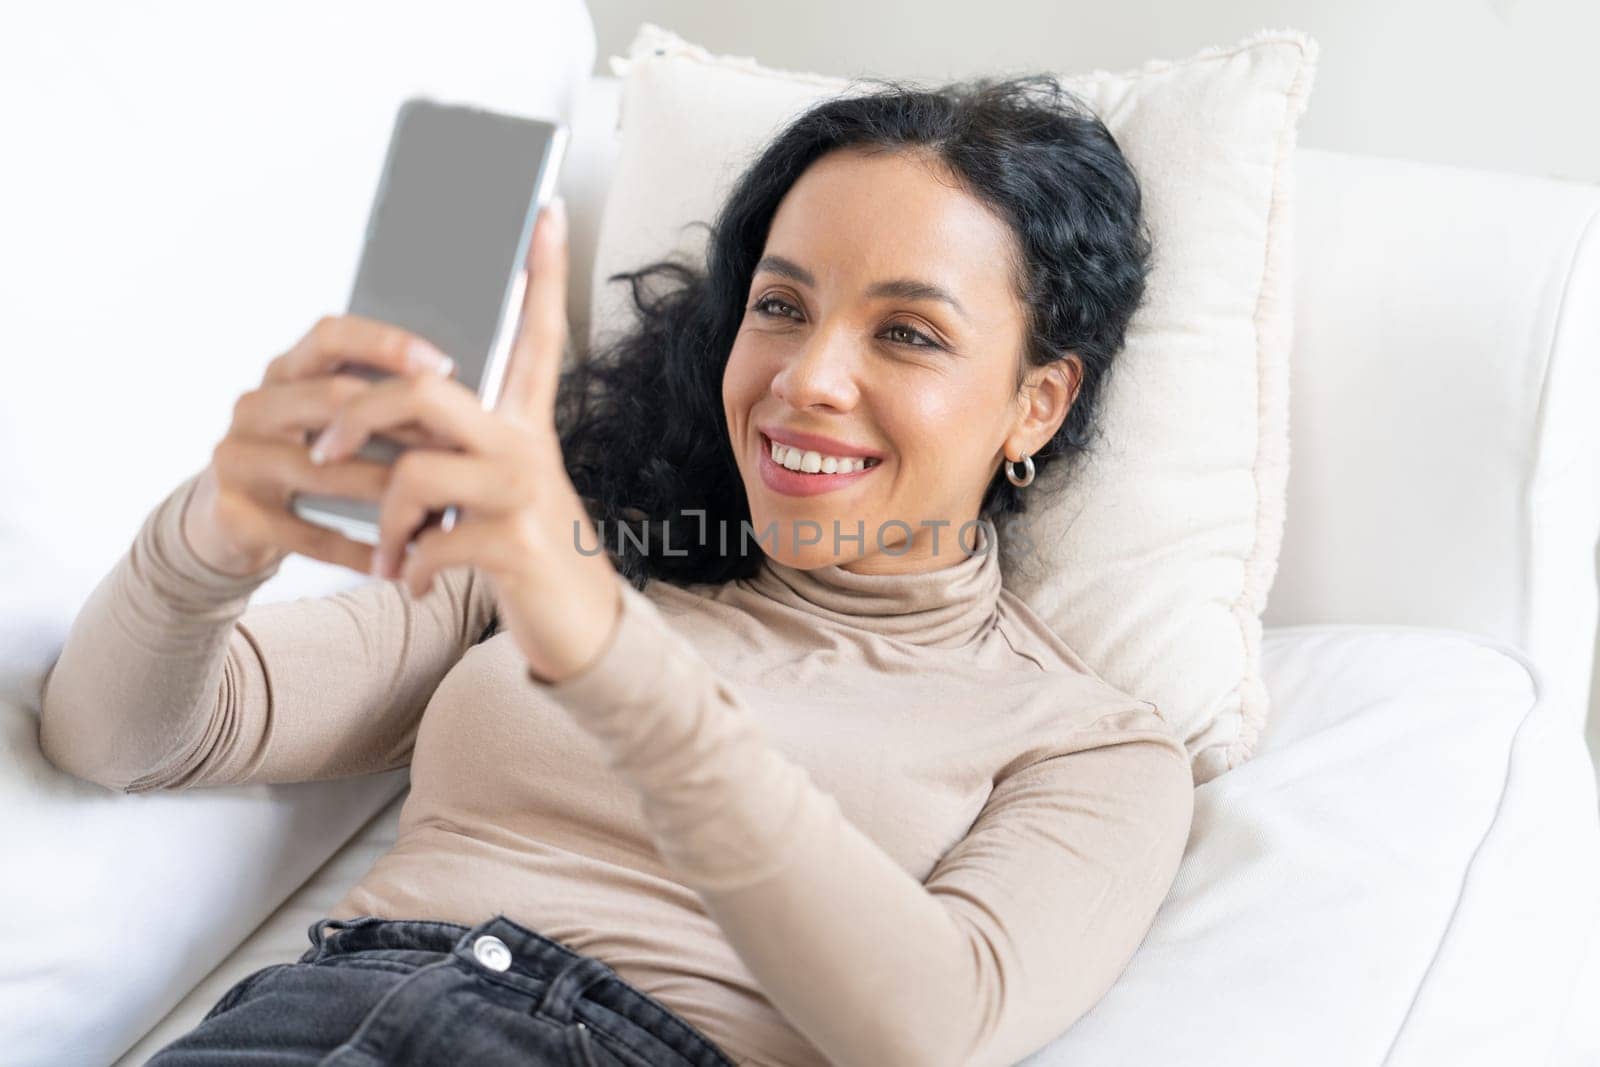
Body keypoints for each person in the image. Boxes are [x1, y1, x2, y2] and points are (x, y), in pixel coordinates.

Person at [38, 72, 1194, 1067]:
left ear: (1035, 402)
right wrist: (214, 538)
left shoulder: (1086, 742)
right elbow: (118, 736)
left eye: (906, 333)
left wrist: (612, 662)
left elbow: (927, 1024)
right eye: (780, 307)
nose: (806, 379)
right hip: (299, 1022)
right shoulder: (564, 557)